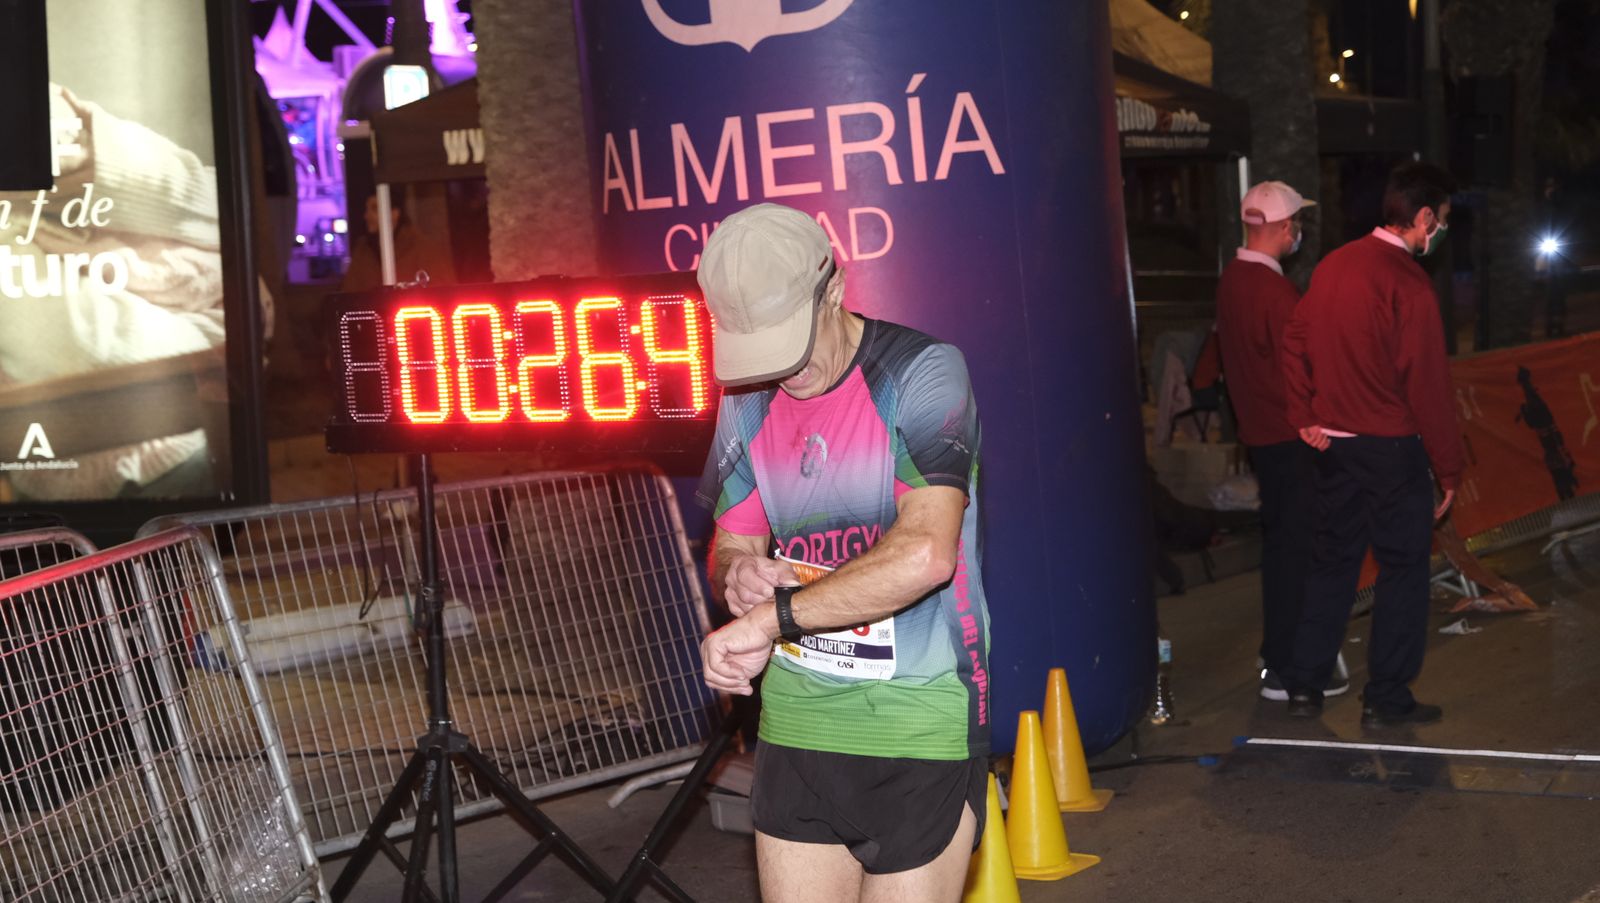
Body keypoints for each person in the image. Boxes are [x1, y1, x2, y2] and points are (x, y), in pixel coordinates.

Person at [695, 203, 991, 903]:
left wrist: (771, 618)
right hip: (797, 726)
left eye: (790, 345)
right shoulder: (747, 399)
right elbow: (732, 540)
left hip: (918, 722)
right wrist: (739, 577)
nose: (780, 373)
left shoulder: (923, 371)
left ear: (834, 286)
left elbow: (926, 554)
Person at [1279, 162, 1465, 727]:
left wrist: (1305, 414)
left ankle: (1305, 685)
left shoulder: (1335, 266)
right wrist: (1449, 468)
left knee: (1333, 562)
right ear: (1424, 217)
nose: (1441, 233)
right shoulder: (1409, 284)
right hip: (1391, 449)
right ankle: (1386, 696)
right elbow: (1427, 383)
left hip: (1335, 448)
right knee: (1403, 568)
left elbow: (1294, 340)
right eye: (1443, 221)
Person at [1213, 181, 1348, 701]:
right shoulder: (1274, 291)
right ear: (1286, 227)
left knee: (1284, 548)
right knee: (1300, 551)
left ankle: (1280, 659)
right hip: (1293, 438)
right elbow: (1302, 371)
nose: (1299, 235)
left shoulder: (1232, 281)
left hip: (1262, 436)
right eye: (1297, 225)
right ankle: (1291, 666)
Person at [340, 188, 455, 292]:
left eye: (375, 209)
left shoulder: (422, 248)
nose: (367, 216)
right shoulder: (362, 251)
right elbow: (349, 292)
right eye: (367, 209)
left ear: (394, 214)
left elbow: (442, 291)